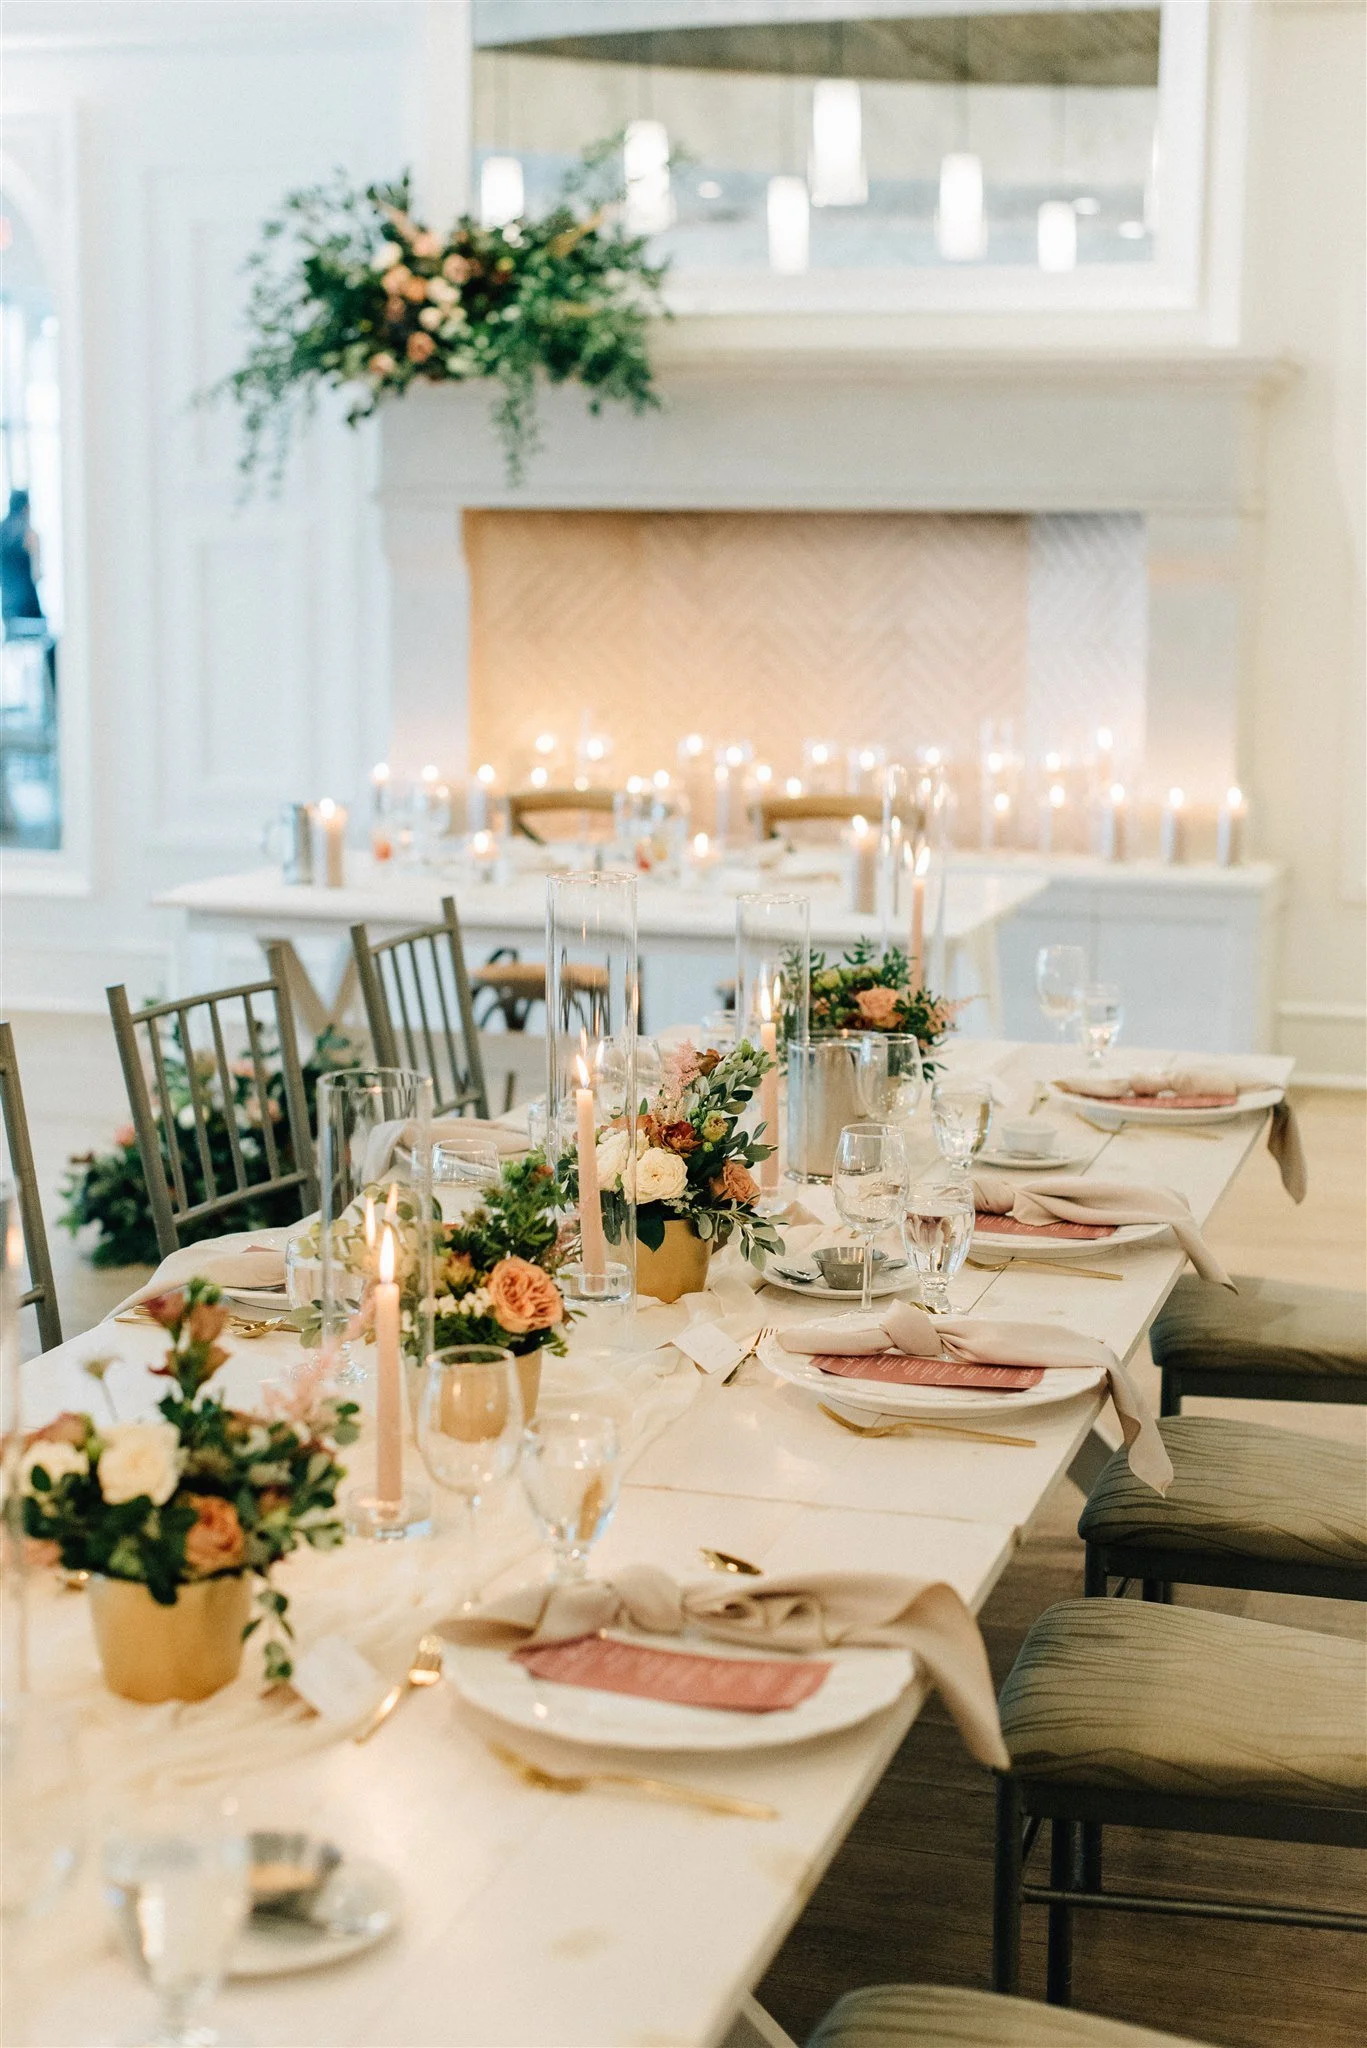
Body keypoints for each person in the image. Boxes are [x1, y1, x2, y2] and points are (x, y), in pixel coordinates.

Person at [0, 488, 44, 633]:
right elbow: (36, 575)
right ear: (26, 507)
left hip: (7, 606)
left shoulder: (1, 532)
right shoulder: (30, 535)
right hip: (28, 605)